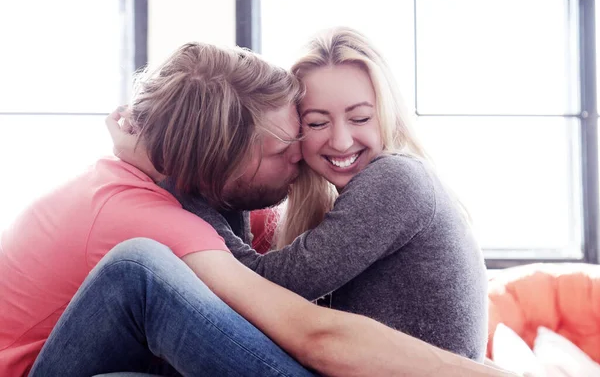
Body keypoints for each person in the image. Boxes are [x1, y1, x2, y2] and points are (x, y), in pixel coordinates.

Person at [0, 42, 512, 377]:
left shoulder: (394, 179)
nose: (303, 155)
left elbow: (268, 272)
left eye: (359, 116)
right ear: (220, 168)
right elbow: (287, 303)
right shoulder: (147, 215)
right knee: (139, 271)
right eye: (299, 134)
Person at [117, 27, 488, 361]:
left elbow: (263, 284)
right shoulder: (362, 192)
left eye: (360, 118)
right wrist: (229, 172)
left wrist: (170, 170)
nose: (341, 140)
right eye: (317, 122)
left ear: (388, 115)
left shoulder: (396, 180)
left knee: (139, 272)